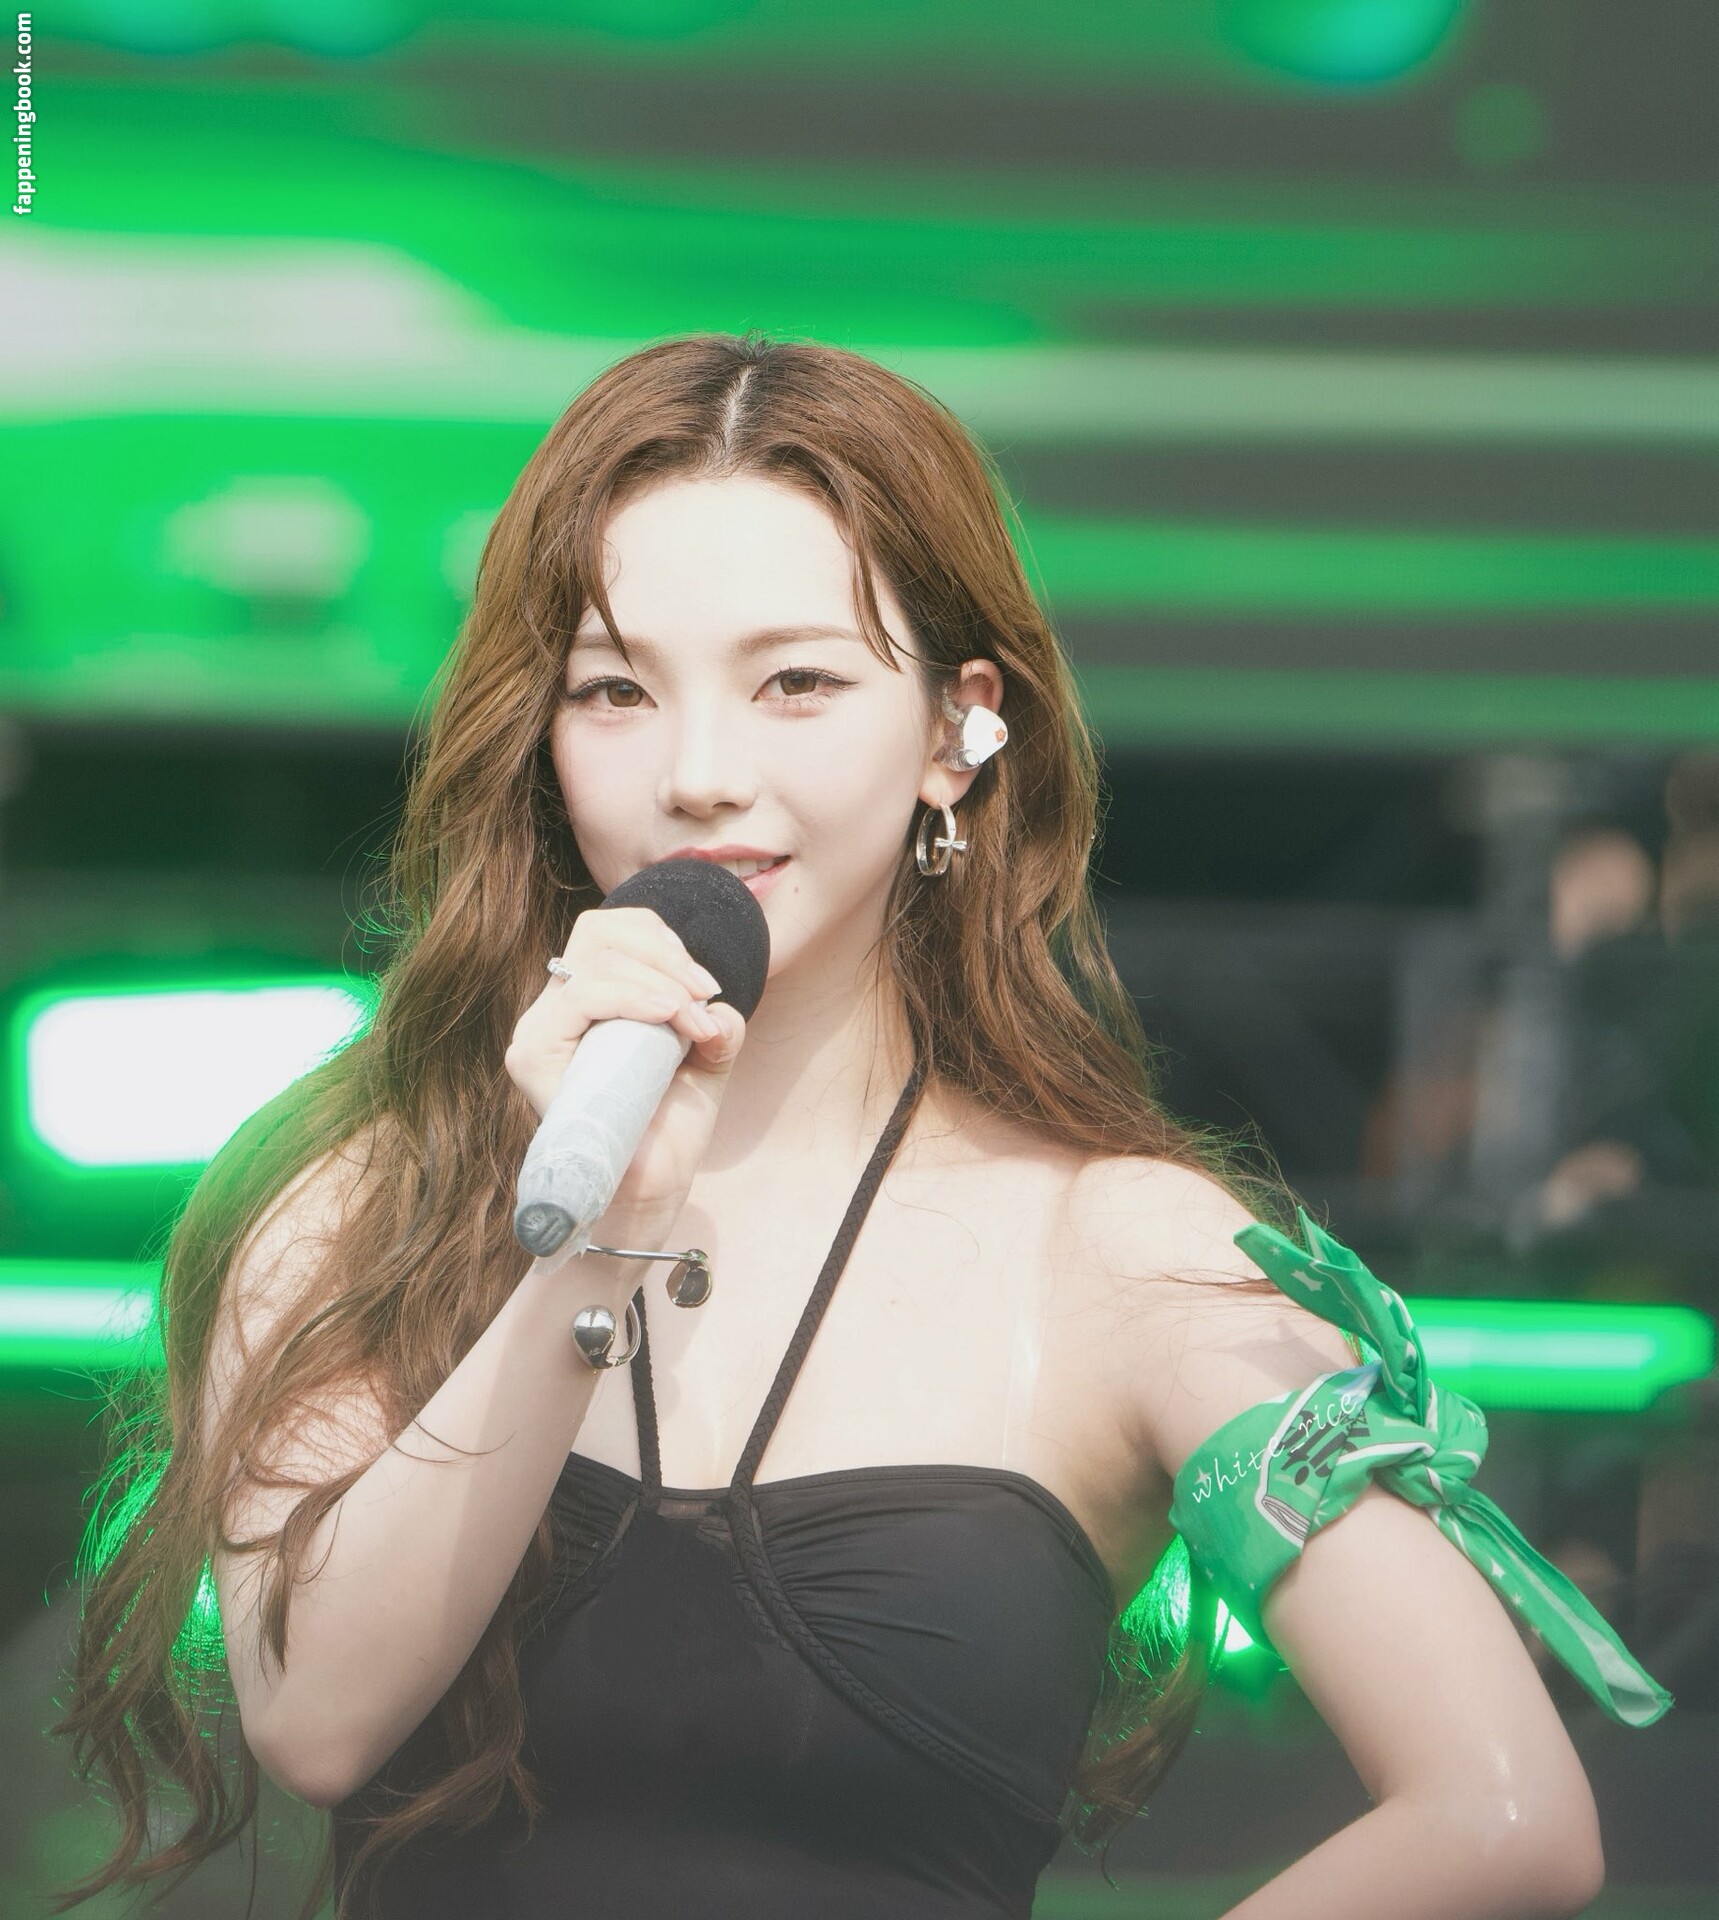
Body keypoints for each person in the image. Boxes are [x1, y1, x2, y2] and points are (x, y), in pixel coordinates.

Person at [51, 333, 1664, 1920]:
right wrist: (591, 1241)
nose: (699, 773)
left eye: (798, 684)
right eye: (615, 690)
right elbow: (317, 1721)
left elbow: (1507, 1818)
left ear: (959, 728)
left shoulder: (1121, 1254)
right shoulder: (361, 1203)